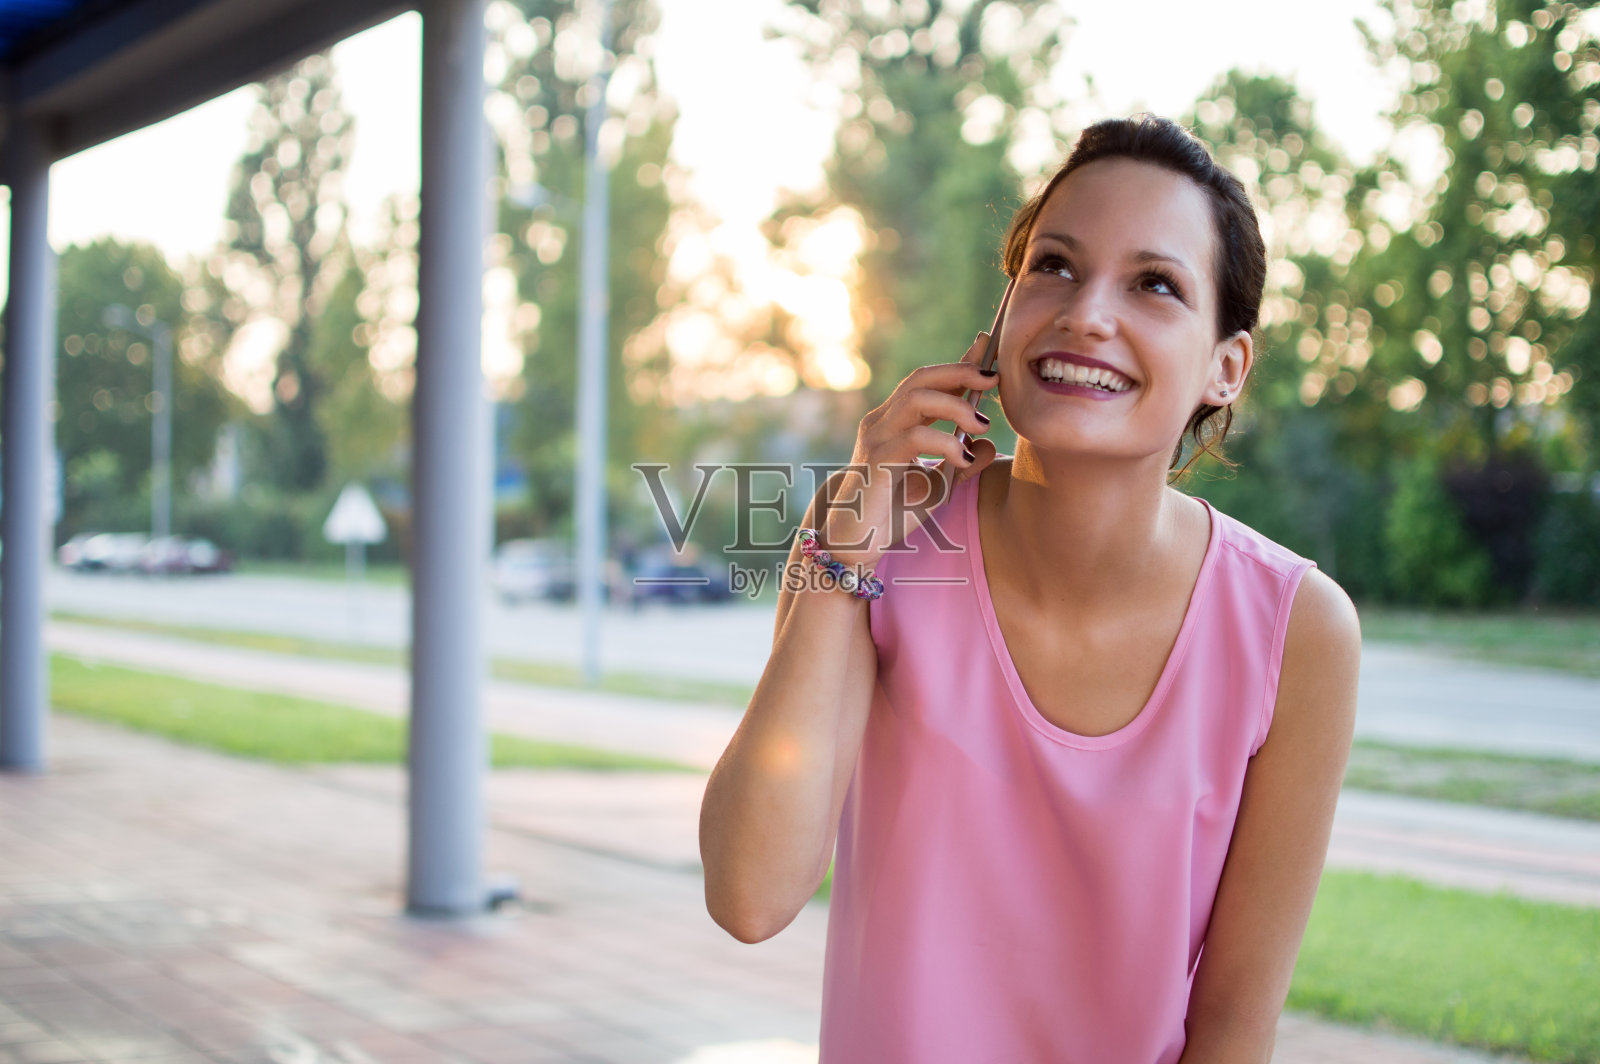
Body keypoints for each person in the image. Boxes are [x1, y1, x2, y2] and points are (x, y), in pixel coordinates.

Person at [699, 115, 1362, 1063]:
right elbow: (749, 895)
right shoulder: (870, 546)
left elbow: (1232, 1027)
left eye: (1155, 285)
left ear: (1226, 368)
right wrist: (847, 542)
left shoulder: (1297, 631)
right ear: (999, 322)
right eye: (1053, 265)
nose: (1087, 312)